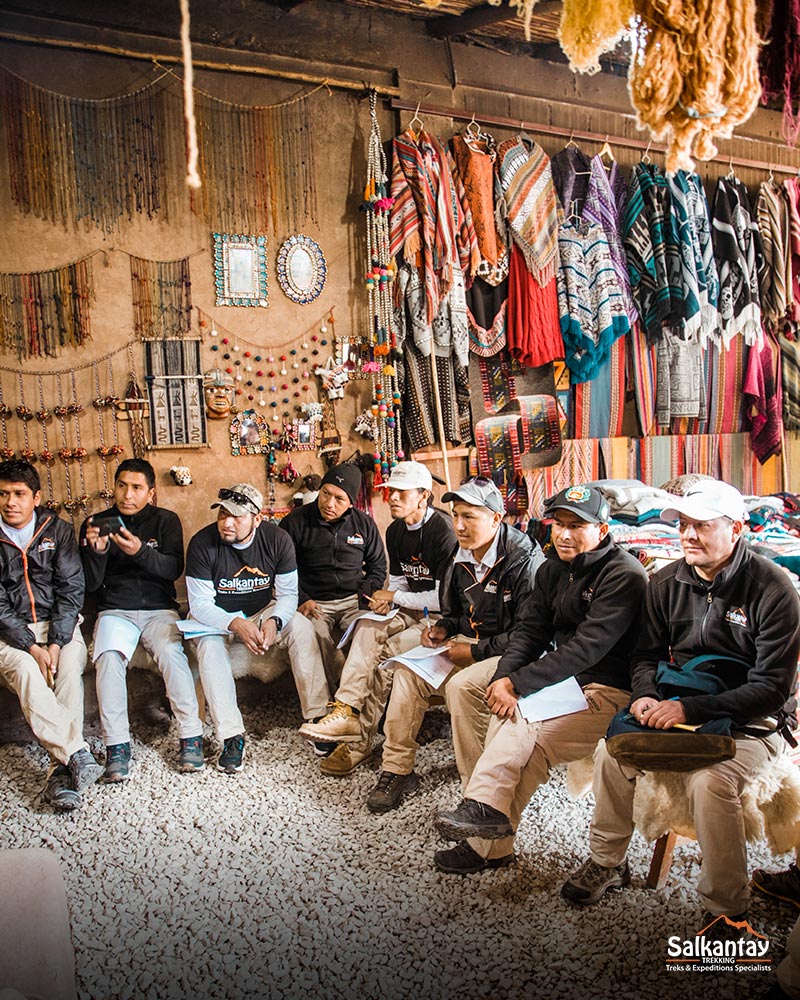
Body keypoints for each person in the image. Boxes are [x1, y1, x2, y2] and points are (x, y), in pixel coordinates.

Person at [561, 479, 800, 931]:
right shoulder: (666, 581)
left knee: (711, 781)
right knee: (610, 752)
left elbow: (771, 688)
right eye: (683, 525)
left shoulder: (774, 589)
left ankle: (726, 909)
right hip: (678, 701)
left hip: (753, 719)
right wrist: (647, 694)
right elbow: (644, 656)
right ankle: (606, 861)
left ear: (737, 528)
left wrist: (690, 711)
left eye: (701, 526)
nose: (687, 535)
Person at [434, 485, 648, 874]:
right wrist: (503, 679)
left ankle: (481, 812)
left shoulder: (624, 575)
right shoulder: (552, 569)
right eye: (558, 524)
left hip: (610, 691)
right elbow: (529, 633)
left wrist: (519, 685)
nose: (564, 534)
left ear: (602, 529)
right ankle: (491, 842)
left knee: (518, 721)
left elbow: (587, 648)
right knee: (513, 725)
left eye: (577, 526)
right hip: (567, 687)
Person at [366, 476, 544, 814]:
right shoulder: (460, 555)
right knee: (407, 673)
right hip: (472, 643)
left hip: (512, 656)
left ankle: (479, 795)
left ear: (495, 518)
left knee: (462, 687)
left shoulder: (524, 561)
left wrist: (474, 652)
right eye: (456, 515)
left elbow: (530, 635)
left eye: (469, 517)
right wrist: (443, 629)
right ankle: (397, 770)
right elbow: (456, 613)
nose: (459, 526)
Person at [297, 461, 457, 776]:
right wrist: (386, 604)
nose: (392, 498)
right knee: (368, 624)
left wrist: (393, 598)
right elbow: (398, 582)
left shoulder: (443, 530)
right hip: (412, 610)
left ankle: (359, 744)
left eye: (400, 492)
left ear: (423, 495)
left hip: (443, 619)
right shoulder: (396, 529)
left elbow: (442, 599)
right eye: (389, 491)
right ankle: (345, 711)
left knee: (383, 658)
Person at [185, 482, 329, 774]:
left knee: (301, 627)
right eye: (223, 514)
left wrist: (276, 622)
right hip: (215, 615)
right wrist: (235, 623)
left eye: (237, 517)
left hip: (263, 609)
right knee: (210, 647)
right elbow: (199, 605)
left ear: (257, 519)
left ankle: (317, 719)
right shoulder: (202, 543)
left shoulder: (278, 540)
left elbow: (288, 594)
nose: (227, 522)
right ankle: (231, 735)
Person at [80, 458, 203, 782]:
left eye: (136, 488)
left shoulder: (166, 521)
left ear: (150, 492)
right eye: (122, 485)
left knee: (172, 655)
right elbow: (90, 585)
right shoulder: (96, 522)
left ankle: (191, 737)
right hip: (115, 610)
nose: (127, 494)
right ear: (114, 486)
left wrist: (139, 551)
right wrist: (96, 553)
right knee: (107, 658)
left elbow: (173, 569)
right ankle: (117, 746)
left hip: (158, 609)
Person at [0, 460, 101, 810]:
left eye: (18, 494)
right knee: (28, 671)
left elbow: (71, 589)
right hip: (9, 634)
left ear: (36, 497)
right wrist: (31, 646)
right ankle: (75, 755)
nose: (10, 502)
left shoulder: (56, 530)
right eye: (2, 494)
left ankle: (61, 776)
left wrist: (56, 642)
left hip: (59, 626)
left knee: (69, 669)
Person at [279, 462, 387, 699]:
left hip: (353, 598)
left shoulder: (364, 524)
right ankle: (338, 697)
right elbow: (282, 570)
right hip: (314, 601)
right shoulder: (294, 523)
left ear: (351, 502)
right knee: (314, 634)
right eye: (325, 493)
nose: (329, 503)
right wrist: (302, 598)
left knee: (367, 630)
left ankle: (367, 699)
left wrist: (366, 597)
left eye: (339, 499)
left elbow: (378, 565)